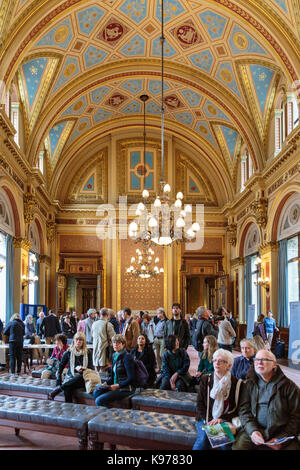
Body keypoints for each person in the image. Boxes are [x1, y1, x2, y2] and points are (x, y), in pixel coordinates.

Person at [233, 349, 300, 450]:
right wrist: (252, 431)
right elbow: (244, 411)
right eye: (257, 359)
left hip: (281, 432)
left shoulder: (289, 387)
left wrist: (282, 438)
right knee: (238, 447)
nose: (259, 362)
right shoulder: (249, 384)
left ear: (274, 364)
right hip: (254, 429)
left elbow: (296, 417)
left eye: (264, 359)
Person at [193, 349, 241, 450]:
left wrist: (221, 419)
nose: (216, 363)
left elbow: (237, 408)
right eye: (214, 360)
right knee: (204, 439)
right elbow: (199, 404)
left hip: (225, 420)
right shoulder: (206, 379)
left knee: (225, 444)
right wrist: (211, 421)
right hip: (205, 418)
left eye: (221, 361)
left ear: (229, 365)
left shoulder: (236, 383)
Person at [49, 332, 93, 403]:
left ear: (83, 342)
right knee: (67, 388)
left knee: (80, 376)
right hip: (71, 377)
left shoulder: (88, 352)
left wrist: (84, 370)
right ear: (74, 341)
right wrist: (58, 382)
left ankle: (59, 390)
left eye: (80, 340)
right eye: (77, 339)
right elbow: (60, 367)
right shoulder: (68, 352)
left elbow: (91, 368)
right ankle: (68, 407)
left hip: (83, 378)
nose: (78, 341)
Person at [93, 334, 136, 407]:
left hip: (126, 388)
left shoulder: (127, 357)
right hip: (116, 385)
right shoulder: (114, 356)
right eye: (114, 342)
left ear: (123, 344)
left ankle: (109, 416)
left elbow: (131, 378)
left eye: (118, 343)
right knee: (96, 392)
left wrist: (118, 385)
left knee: (99, 400)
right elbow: (113, 377)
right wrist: (105, 384)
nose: (115, 345)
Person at [92, 307, 115, 372]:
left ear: (100, 314)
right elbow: (114, 338)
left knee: (96, 369)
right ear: (108, 315)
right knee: (104, 370)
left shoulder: (94, 324)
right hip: (104, 349)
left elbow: (92, 335)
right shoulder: (108, 324)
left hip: (96, 349)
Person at [153, 307, 167, 372]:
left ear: (162, 313)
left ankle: (164, 368)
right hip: (156, 339)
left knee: (162, 354)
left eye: (158, 313)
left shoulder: (166, 321)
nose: (157, 315)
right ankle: (160, 368)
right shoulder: (158, 321)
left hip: (162, 339)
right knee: (158, 355)